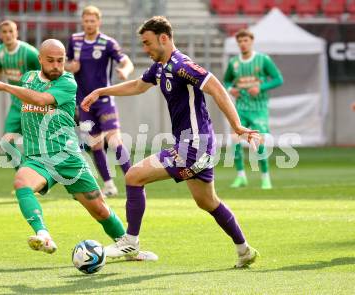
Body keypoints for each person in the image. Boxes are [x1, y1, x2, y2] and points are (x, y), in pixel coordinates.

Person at [81, 16, 260, 268]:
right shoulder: (160, 67)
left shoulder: (182, 65)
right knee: (207, 202)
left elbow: (217, 88)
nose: (146, 49)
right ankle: (244, 250)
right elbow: (137, 86)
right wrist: (101, 91)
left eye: (148, 43)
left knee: (133, 176)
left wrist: (237, 126)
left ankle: (130, 241)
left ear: (164, 38)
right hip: (193, 146)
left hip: (194, 146)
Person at [0, 39, 157, 261]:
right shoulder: (28, 78)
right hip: (38, 157)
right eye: (51, 61)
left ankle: (130, 248)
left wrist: (4, 86)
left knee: (99, 209)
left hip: (68, 158)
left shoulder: (67, 82)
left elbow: (42, 100)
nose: (56, 65)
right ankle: (43, 235)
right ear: (40, 60)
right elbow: (25, 102)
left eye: (60, 60)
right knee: (21, 183)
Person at [65, 5, 134, 197]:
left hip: (104, 101)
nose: (89, 24)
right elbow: (65, 63)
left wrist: (124, 72)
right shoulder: (75, 40)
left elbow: (126, 61)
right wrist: (71, 66)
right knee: (95, 144)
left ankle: (133, 180)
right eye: (86, 21)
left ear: (99, 22)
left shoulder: (107, 43)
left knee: (114, 140)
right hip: (84, 103)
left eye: (92, 21)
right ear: (82, 22)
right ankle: (109, 185)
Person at [224, 28, 283, 190]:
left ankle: (265, 178)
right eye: (240, 41)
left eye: (246, 41)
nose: (243, 44)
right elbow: (227, 81)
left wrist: (261, 87)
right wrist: (231, 90)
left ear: (251, 41)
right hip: (240, 108)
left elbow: (278, 79)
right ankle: (241, 176)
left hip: (259, 108)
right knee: (235, 141)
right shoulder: (234, 63)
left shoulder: (263, 60)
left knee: (259, 141)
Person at [0, 20, 41, 170]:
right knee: (6, 142)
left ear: (17, 33)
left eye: (11, 31)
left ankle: (40, 177)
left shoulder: (29, 53)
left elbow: (45, 73)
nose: (8, 34)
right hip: (16, 106)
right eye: (5, 32)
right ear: (0, 34)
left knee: (37, 146)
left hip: (34, 105)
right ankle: (25, 176)